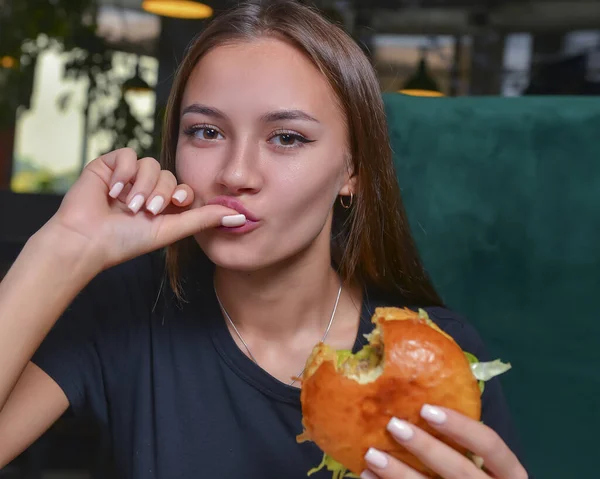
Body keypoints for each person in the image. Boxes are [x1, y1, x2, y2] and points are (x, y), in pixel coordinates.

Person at [0, 1, 530, 478]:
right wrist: (64, 245)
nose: (235, 174)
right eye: (206, 131)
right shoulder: (123, 311)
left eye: (286, 138)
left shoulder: (441, 355)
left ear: (353, 172)